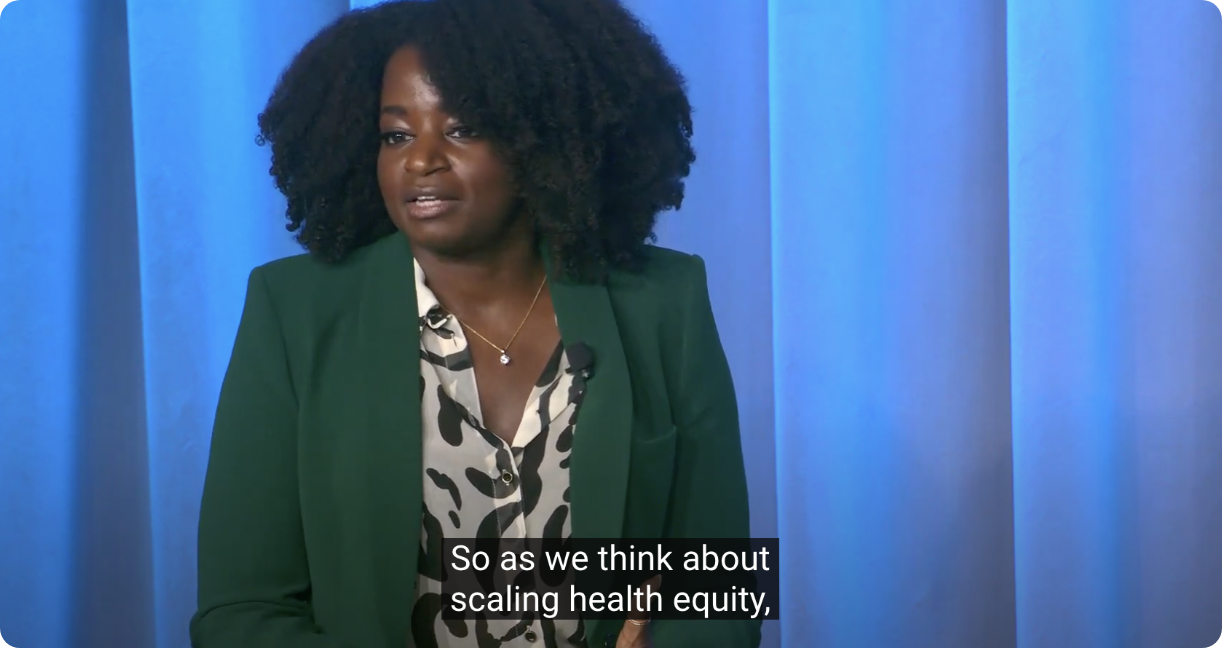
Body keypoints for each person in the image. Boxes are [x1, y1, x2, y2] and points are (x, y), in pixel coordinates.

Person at [188, 0, 756, 647]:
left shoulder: (663, 303)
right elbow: (241, 611)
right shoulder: (294, 312)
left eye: (462, 129)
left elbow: (720, 590)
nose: (421, 160)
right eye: (396, 135)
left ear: (541, 140)